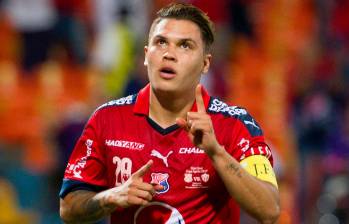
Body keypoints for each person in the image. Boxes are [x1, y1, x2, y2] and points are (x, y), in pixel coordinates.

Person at [59, 3, 280, 223]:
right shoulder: (106, 119)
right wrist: (111, 197)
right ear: (146, 56)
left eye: (185, 46)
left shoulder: (235, 124)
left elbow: (269, 210)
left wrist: (217, 153)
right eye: (161, 42)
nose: (169, 54)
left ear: (205, 63)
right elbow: (68, 207)